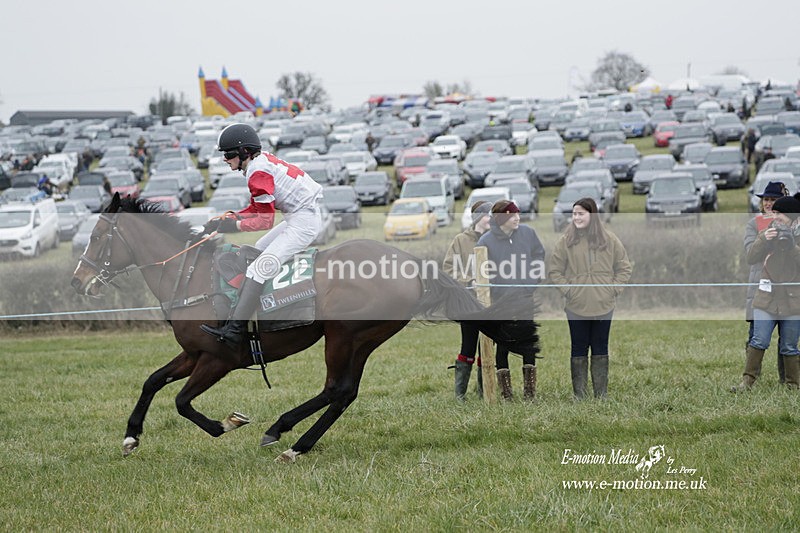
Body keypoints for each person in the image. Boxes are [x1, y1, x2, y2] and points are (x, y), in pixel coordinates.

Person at [200, 123, 324, 347]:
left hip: (302, 222)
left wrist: (234, 227)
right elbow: (255, 209)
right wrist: (227, 219)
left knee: (259, 268)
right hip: (299, 217)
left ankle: (235, 330)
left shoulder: (258, 173)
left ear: (244, 152)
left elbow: (265, 220)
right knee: (259, 247)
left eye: (228, 154)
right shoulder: (259, 163)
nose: (225, 159)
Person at [548, 198, 632, 399]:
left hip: (604, 304)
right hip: (576, 306)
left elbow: (624, 267)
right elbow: (554, 271)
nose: (576, 217)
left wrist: (614, 289)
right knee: (578, 347)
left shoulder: (609, 240)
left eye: (581, 213)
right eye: (574, 213)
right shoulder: (565, 241)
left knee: (600, 347)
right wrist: (568, 291)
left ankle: (601, 394)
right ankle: (580, 395)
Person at [477, 200, 546, 401]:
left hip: (525, 298)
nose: (517, 218)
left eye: (517, 214)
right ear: (501, 219)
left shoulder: (528, 233)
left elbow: (539, 256)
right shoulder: (485, 241)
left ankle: (529, 393)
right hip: (500, 303)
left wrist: (531, 283)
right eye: (512, 215)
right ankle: (506, 394)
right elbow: (481, 271)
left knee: (528, 341)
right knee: (503, 345)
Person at [733, 195, 800, 391]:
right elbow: (751, 257)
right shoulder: (768, 232)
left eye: (780, 214)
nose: (775, 216)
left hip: (793, 301)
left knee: (789, 345)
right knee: (759, 339)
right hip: (766, 298)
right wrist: (763, 239)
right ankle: (747, 382)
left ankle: (793, 386)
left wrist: (792, 246)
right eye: (775, 212)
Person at [443, 201, 493, 401]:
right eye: (489, 215)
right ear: (479, 217)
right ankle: (460, 395)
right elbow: (448, 270)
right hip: (468, 303)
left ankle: (485, 390)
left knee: (487, 346)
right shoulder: (460, 240)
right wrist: (469, 280)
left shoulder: (496, 239)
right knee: (469, 346)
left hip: (491, 304)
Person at [744, 181, 787, 383]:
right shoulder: (754, 224)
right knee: (756, 334)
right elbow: (749, 255)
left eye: (773, 199)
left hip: (786, 286)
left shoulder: (792, 223)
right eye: (766, 200)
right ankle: (752, 377)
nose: (769, 203)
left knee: (787, 336)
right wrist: (765, 238)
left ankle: (786, 378)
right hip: (760, 285)